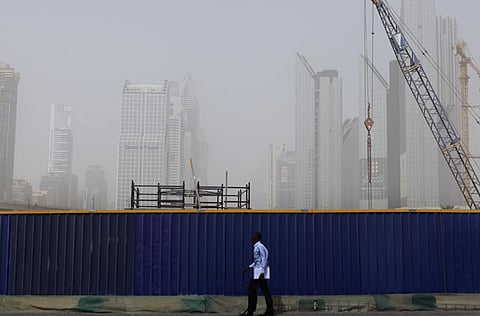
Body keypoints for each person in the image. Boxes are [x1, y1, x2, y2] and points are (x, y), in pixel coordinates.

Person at [240, 232, 274, 316]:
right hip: (259, 270)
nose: (251, 237)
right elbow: (257, 261)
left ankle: (250, 311)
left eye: (253, 236)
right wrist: (248, 267)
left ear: (257, 237)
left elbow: (264, 259)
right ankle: (270, 311)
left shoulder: (260, 247)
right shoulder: (256, 247)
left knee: (251, 289)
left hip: (260, 271)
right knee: (265, 290)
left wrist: (262, 272)